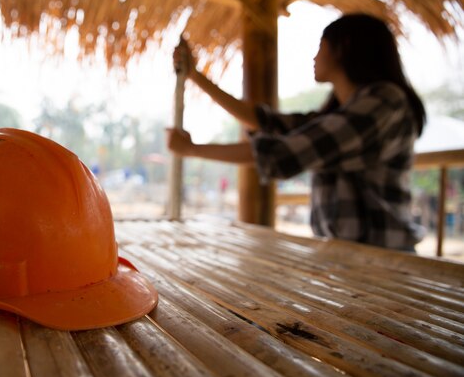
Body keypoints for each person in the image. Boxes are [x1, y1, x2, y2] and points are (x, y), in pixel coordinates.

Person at [166, 13, 426, 251]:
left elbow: (284, 153)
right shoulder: (345, 111)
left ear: (343, 46)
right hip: (348, 256)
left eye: (320, 46)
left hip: (381, 258)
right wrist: (195, 77)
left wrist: (191, 149)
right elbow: (269, 122)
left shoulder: (383, 103)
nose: (314, 57)